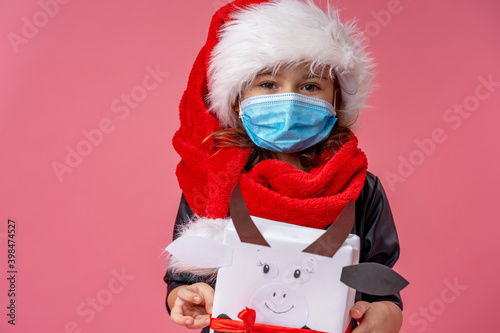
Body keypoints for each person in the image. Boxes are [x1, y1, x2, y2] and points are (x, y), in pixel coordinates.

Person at [164, 0, 404, 332]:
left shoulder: (360, 187)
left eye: (310, 86)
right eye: (268, 84)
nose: (290, 100)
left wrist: (385, 317)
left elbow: (383, 289)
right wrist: (185, 297)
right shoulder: (210, 181)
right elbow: (181, 280)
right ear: (238, 98)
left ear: (337, 99)